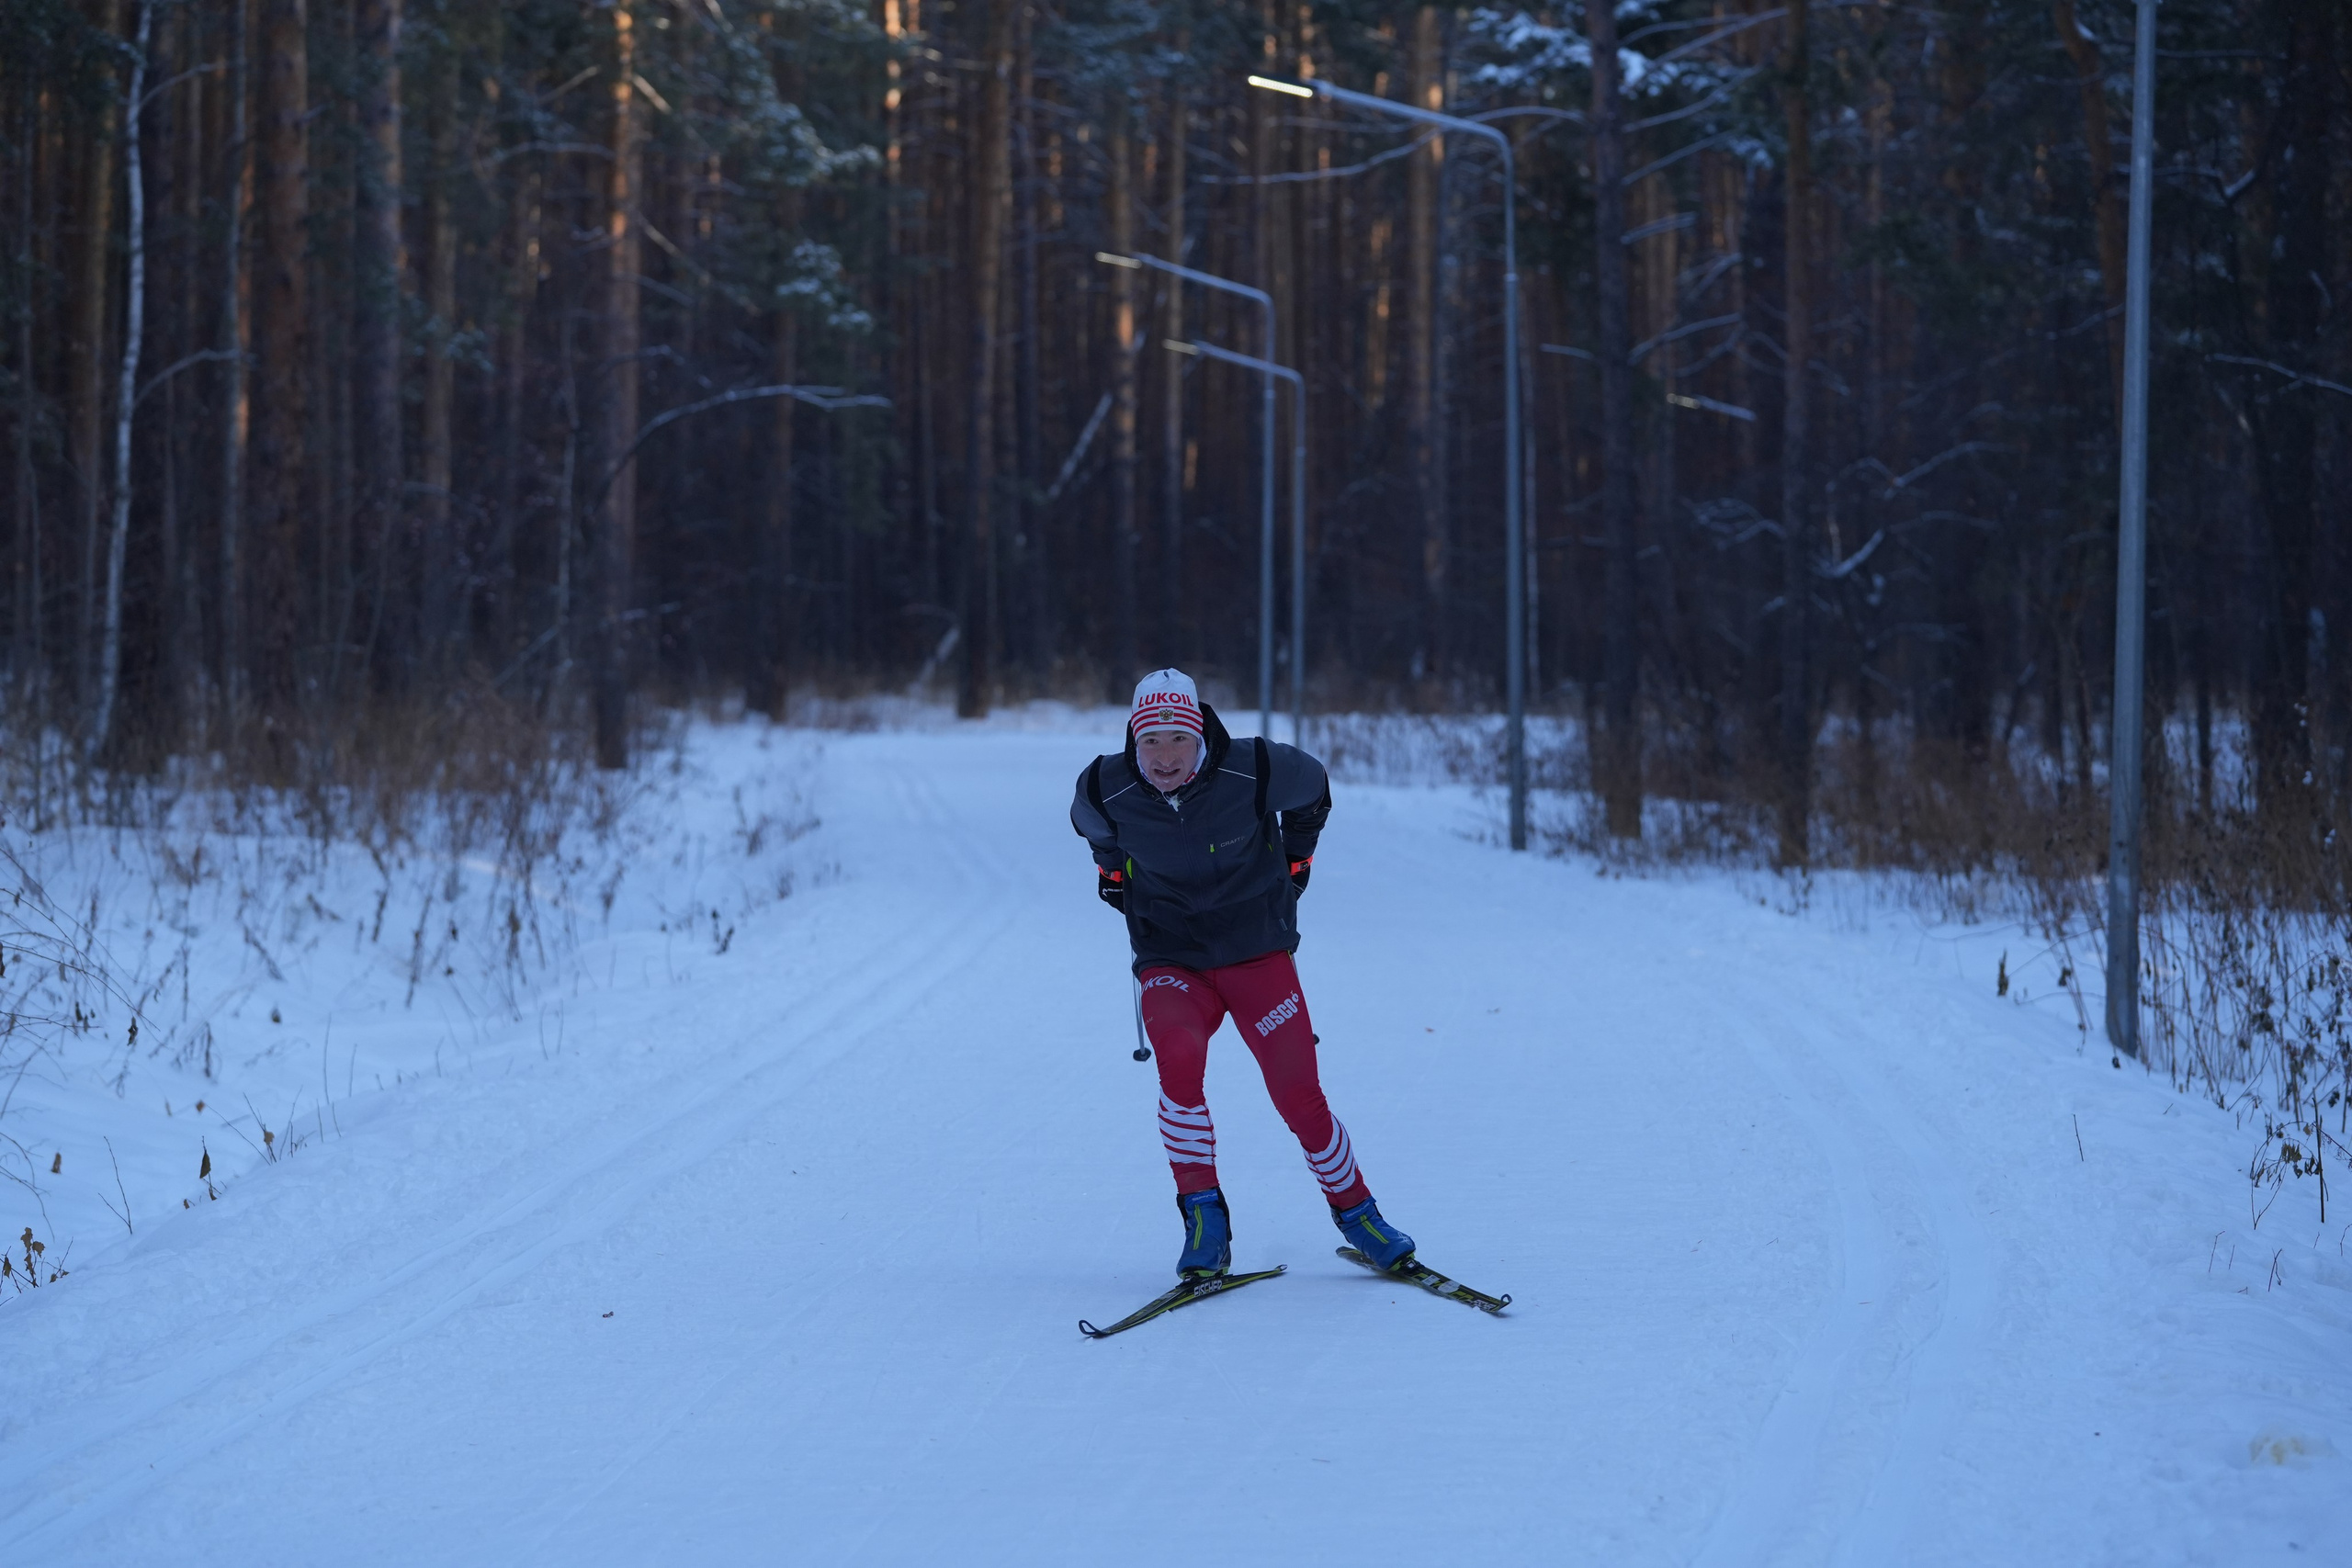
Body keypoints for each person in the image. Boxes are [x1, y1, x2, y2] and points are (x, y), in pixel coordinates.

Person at [1071, 668, 1416, 1280]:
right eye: (1150, 741)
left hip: (1256, 952)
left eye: (1178, 738)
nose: (1165, 757)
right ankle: (1205, 1218)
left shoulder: (1254, 767)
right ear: (1133, 739)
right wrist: (1114, 877)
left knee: (1298, 1095)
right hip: (1173, 959)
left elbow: (1315, 792)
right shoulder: (1105, 786)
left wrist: (1295, 858)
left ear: (1199, 732)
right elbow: (1096, 832)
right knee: (1178, 1064)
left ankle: (1358, 1212)